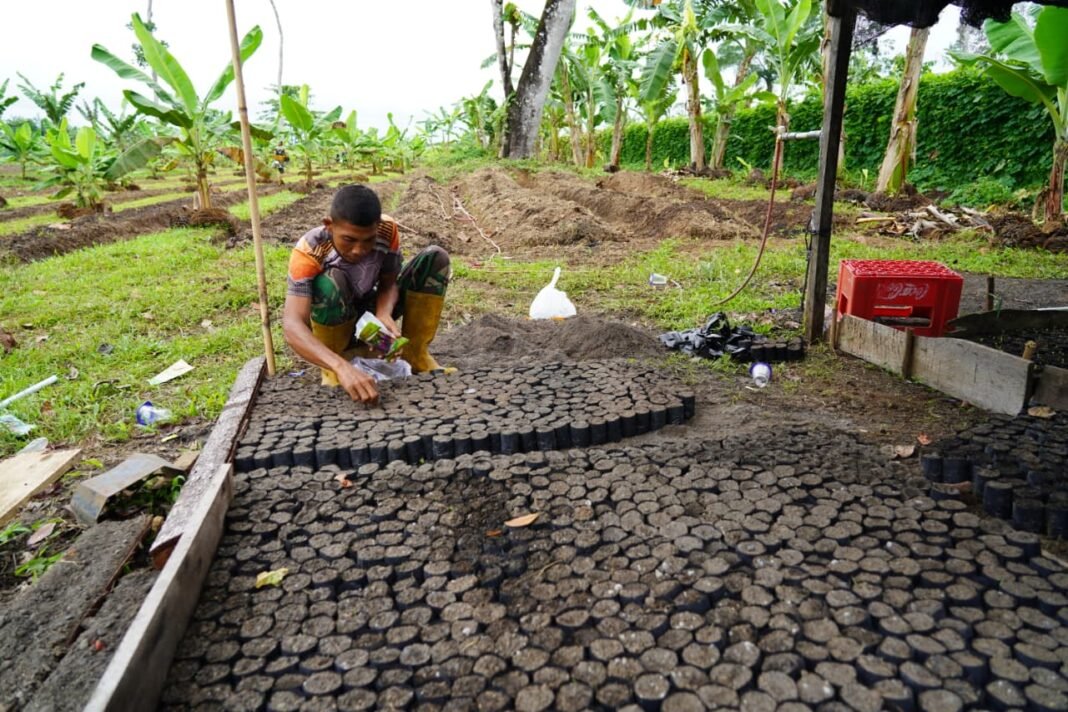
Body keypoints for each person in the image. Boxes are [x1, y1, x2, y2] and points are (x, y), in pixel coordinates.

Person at [282, 184, 450, 403]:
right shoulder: (309, 249)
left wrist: (383, 313)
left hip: (368, 316)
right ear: (329, 225)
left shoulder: (387, 230)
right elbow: (292, 324)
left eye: (368, 240)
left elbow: (389, 283)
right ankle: (336, 367)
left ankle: (415, 355)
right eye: (349, 240)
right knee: (328, 282)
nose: (359, 250)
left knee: (436, 258)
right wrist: (340, 366)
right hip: (336, 320)